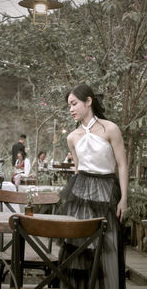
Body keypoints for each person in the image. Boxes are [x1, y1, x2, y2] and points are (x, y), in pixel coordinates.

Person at [58, 84, 128, 289]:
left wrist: (124, 198)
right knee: (78, 246)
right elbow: (78, 170)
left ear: (88, 101)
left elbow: (122, 164)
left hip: (107, 189)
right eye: (68, 105)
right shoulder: (72, 136)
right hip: (80, 193)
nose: (71, 109)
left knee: (107, 246)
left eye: (74, 104)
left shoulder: (110, 128)